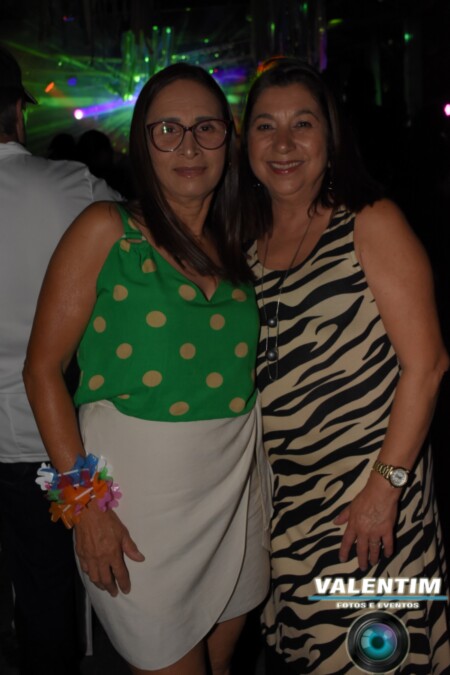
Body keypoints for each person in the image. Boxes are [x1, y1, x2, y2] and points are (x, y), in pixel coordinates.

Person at [23, 63, 271, 675]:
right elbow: (42, 370)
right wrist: (86, 507)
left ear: (229, 139)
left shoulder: (241, 243)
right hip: (138, 509)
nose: (189, 146)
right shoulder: (106, 230)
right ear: (142, 142)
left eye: (206, 127)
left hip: (236, 491)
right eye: (168, 129)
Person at [240, 57, 450, 673]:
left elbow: (428, 365)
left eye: (302, 124)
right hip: (291, 512)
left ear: (330, 137)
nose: (283, 143)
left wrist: (383, 491)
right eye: (265, 126)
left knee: (371, 659)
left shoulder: (369, 221)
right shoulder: (244, 246)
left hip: (368, 509)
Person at [0, 44, 121, 675]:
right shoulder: (75, 187)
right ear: (18, 113)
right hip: (43, 444)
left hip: (40, 443)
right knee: (48, 599)